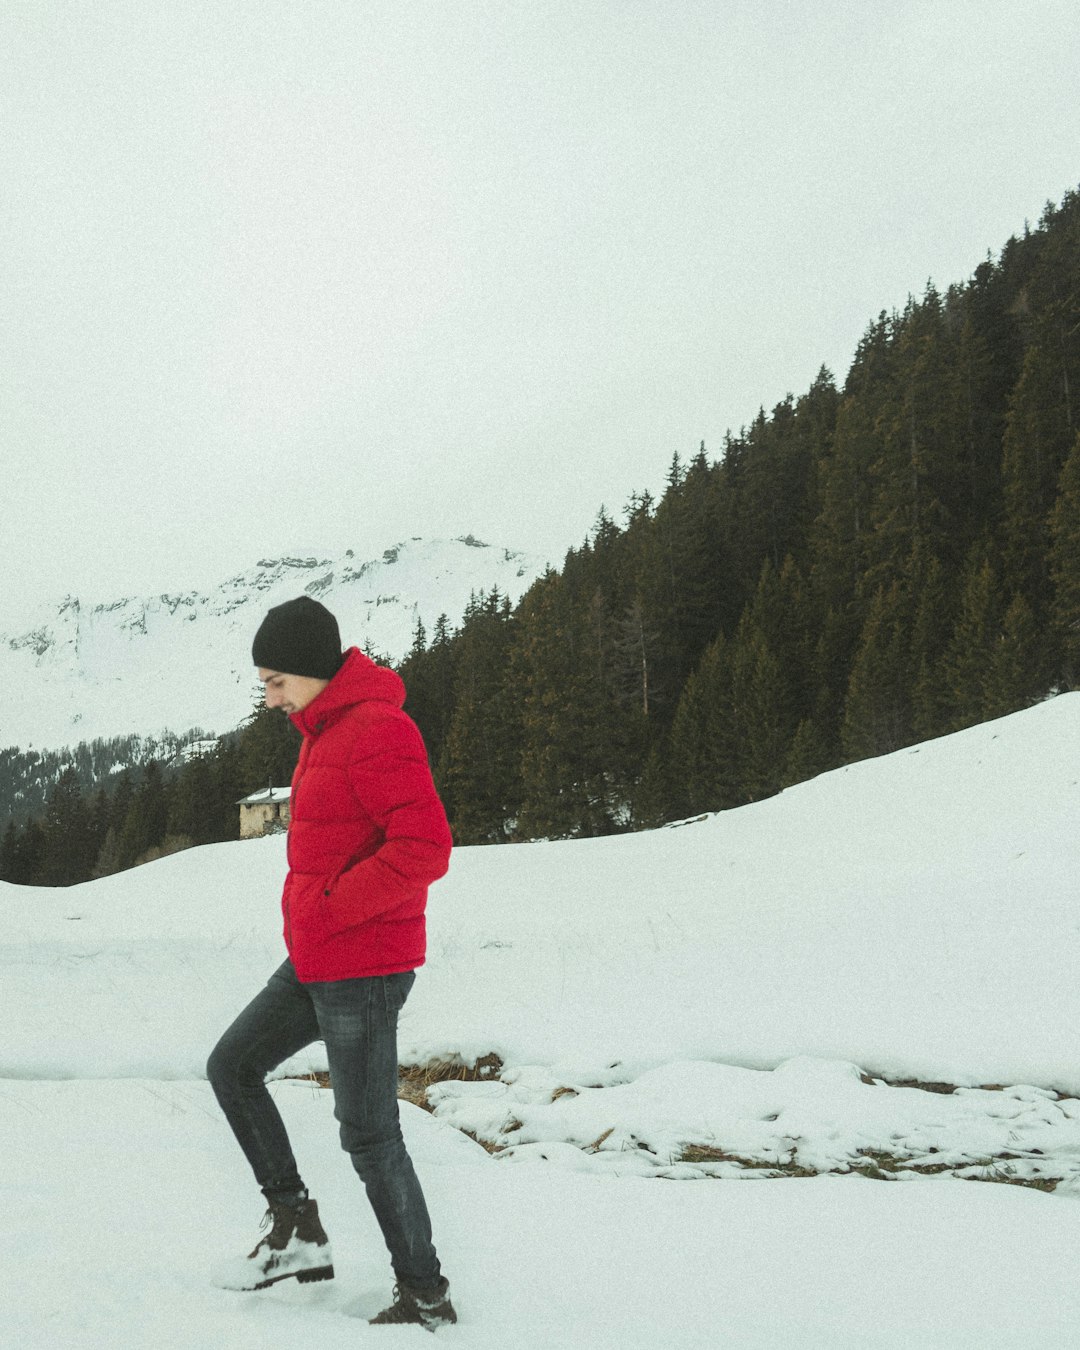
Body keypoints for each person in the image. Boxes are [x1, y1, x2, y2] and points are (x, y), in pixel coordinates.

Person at [206, 595, 456, 1330]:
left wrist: (331, 905)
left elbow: (424, 848)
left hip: (364, 966)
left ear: (316, 671)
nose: (271, 696)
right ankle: (297, 1232)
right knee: (233, 1066)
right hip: (316, 959)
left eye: (278, 680)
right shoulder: (322, 729)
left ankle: (425, 1292)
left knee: (369, 1134)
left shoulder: (379, 728)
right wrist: (315, 919)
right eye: (264, 683)